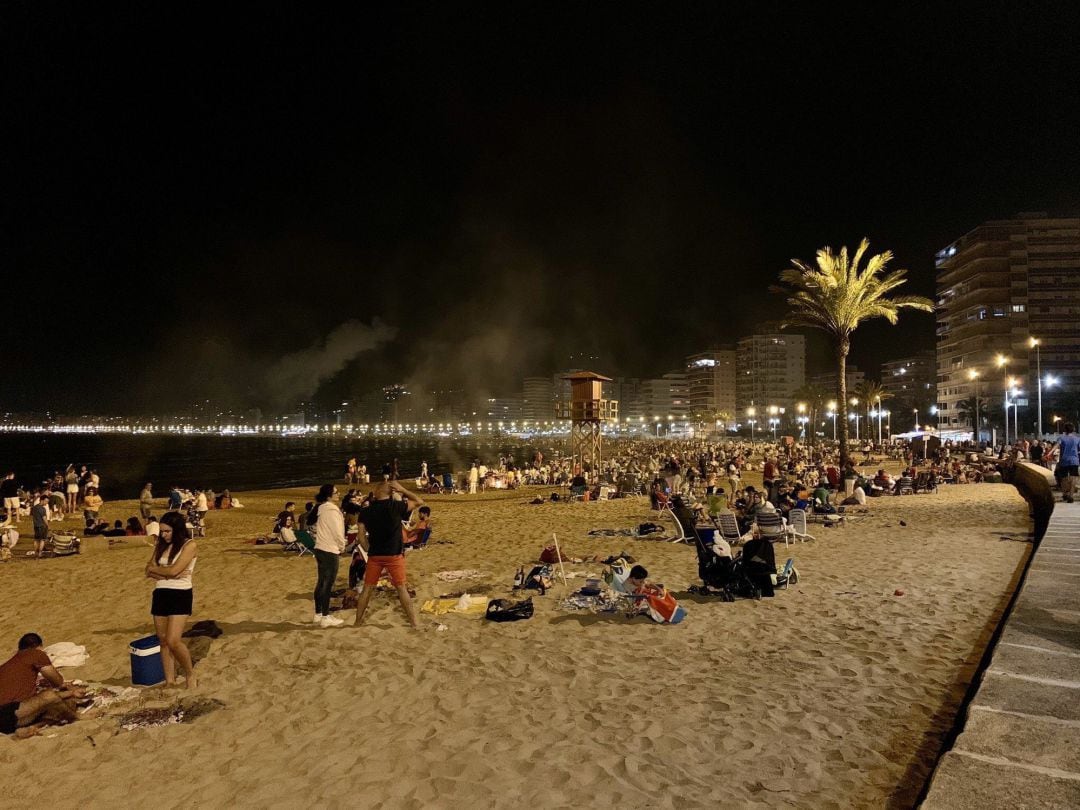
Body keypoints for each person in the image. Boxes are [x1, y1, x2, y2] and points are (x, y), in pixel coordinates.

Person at [353, 479, 422, 628]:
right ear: (391, 492)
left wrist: (368, 549)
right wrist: (402, 489)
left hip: (375, 555)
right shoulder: (395, 506)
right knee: (401, 588)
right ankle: (414, 622)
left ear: (376, 493)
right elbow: (418, 501)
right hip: (394, 554)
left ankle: (357, 622)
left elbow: (361, 536)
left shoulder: (365, 511)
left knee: (367, 588)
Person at [145, 511, 198, 688]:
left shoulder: (189, 545)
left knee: (174, 640)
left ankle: (190, 674)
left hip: (180, 593)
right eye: (162, 531)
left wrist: (163, 572)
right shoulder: (160, 545)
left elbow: (174, 571)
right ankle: (170, 680)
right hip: (160, 593)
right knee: (163, 640)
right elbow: (148, 569)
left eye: (167, 531)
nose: (164, 534)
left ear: (177, 530)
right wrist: (168, 573)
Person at [0, 633, 86, 738]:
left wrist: (71, 693)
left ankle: (31, 728)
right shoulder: (36, 654)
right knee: (52, 698)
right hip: (9, 713)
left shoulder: (7, 666)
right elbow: (57, 681)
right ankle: (78, 718)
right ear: (38, 646)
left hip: (10, 716)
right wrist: (65, 688)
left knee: (54, 706)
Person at [309, 484, 346, 627]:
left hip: (320, 548)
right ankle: (325, 616)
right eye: (336, 492)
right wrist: (342, 545)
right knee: (328, 584)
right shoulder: (331, 510)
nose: (338, 494)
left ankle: (318, 614)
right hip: (329, 549)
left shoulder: (321, 508)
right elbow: (337, 531)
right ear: (329, 495)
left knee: (321, 582)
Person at [1058, 423, 1079, 503]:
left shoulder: (1061, 438)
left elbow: (1056, 446)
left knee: (1064, 478)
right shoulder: (1077, 439)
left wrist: (1048, 454)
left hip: (1064, 460)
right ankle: (1071, 495)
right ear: (1073, 430)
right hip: (1074, 460)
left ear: (1065, 429)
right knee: (1074, 478)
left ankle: (1064, 494)